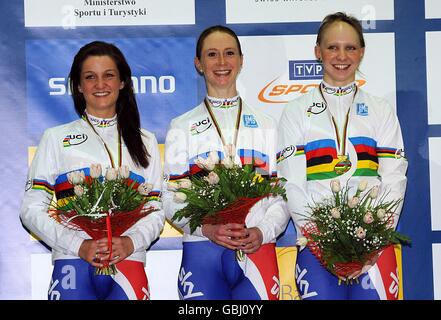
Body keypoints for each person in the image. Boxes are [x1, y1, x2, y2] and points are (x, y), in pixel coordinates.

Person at [277, 12, 408, 300]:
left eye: (350, 47)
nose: (341, 55)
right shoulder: (296, 111)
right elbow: (292, 183)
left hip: (374, 249)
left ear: (361, 53)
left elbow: (394, 179)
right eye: (332, 47)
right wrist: (321, 241)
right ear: (317, 52)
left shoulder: (380, 109)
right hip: (316, 249)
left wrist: (373, 241)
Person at [20, 41, 165, 300]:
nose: (100, 85)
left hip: (128, 261)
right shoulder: (56, 138)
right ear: (78, 85)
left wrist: (131, 242)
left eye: (109, 75)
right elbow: (30, 210)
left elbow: (156, 210)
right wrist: (79, 245)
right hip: (73, 261)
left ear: (122, 82)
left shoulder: (147, 141)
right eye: (90, 77)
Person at [162, 25, 289, 300]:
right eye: (212, 54)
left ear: (241, 60)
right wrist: (205, 228)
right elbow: (170, 198)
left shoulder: (267, 125)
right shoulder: (181, 126)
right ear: (199, 63)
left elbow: (282, 196)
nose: (221, 62)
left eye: (229, 53)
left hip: (257, 247)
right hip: (202, 251)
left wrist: (263, 231)